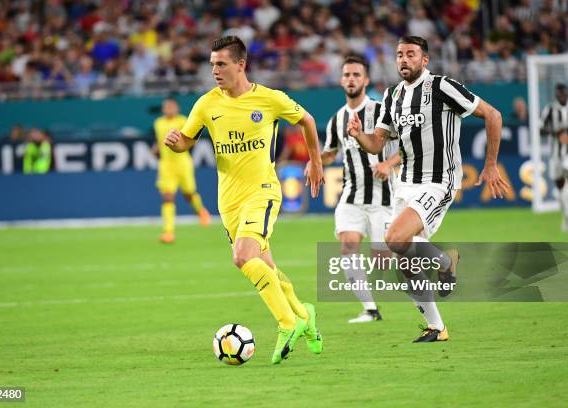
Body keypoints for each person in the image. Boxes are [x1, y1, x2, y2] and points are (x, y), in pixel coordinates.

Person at [164, 36, 324, 364]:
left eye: (221, 64)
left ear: (241, 64)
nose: (215, 71)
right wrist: (175, 143)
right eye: (212, 65)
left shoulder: (269, 99)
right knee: (266, 266)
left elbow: (307, 120)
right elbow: (187, 142)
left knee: (242, 256)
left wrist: (316, 161)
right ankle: (304, 315)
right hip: (229, 202)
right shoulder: (206, 104)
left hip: (262, 192)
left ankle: (287, 323)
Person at [347, 36, 509, 342]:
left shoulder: (442, 87)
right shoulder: (392, 95)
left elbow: (493, 115)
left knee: (394, 238)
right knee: (404, 259)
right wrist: (358, 134)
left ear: (425, 60)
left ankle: (447, 262)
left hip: (438, 180)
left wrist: (490, 164)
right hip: (404, 183)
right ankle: (438, 326)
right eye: (399, 55)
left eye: (411, 54)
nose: (404, 60)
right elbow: (377, 144)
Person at [320, 55, 401, 323]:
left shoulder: (381, 112)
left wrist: (389, 163)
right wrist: (313, 161)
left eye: (356, 75)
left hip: (384, 198)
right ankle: (370, 309)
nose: (351, 79)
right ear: (341, 80)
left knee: (382, 261)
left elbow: (409, 145)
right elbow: (330, 154)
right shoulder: (336, 119)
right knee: (348, 244)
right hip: (351, 196)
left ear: (366, 80)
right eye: (347, 75)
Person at [152, 97, 211, 244]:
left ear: (177, 108)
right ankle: (168, 232)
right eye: (167, 106)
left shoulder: (182, 120)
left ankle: (201, 211)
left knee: (189, 194)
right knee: (167, 197)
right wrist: (156, 148)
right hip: (166, 165)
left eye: (172, 106)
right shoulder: (158, 123)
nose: (170, 109)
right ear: (163, 109)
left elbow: (187, 139)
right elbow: (160, 141)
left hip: (183, 163)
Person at [540, 83, 568, 231]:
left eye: (564, 93)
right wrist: (556, 132)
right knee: (560, 188)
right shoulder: (550, 109)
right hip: (556, 154)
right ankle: (565, 217)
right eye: (559, 93)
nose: (562, 95)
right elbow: (540, 129)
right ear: (556, 94)